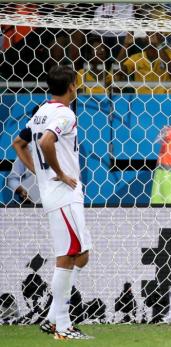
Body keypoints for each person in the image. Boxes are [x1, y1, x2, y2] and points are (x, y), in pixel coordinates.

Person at [12, 65, 92, 339]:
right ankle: (62, 326)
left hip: (60, 193)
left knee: (81, 255)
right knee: (69, 256)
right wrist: (58, 174)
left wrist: (40, 173)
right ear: (71, 86)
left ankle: (51, 318)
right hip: (63, 194)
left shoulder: (40, 113)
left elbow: (18, 144)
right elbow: (47, 142)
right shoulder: (64, 114)